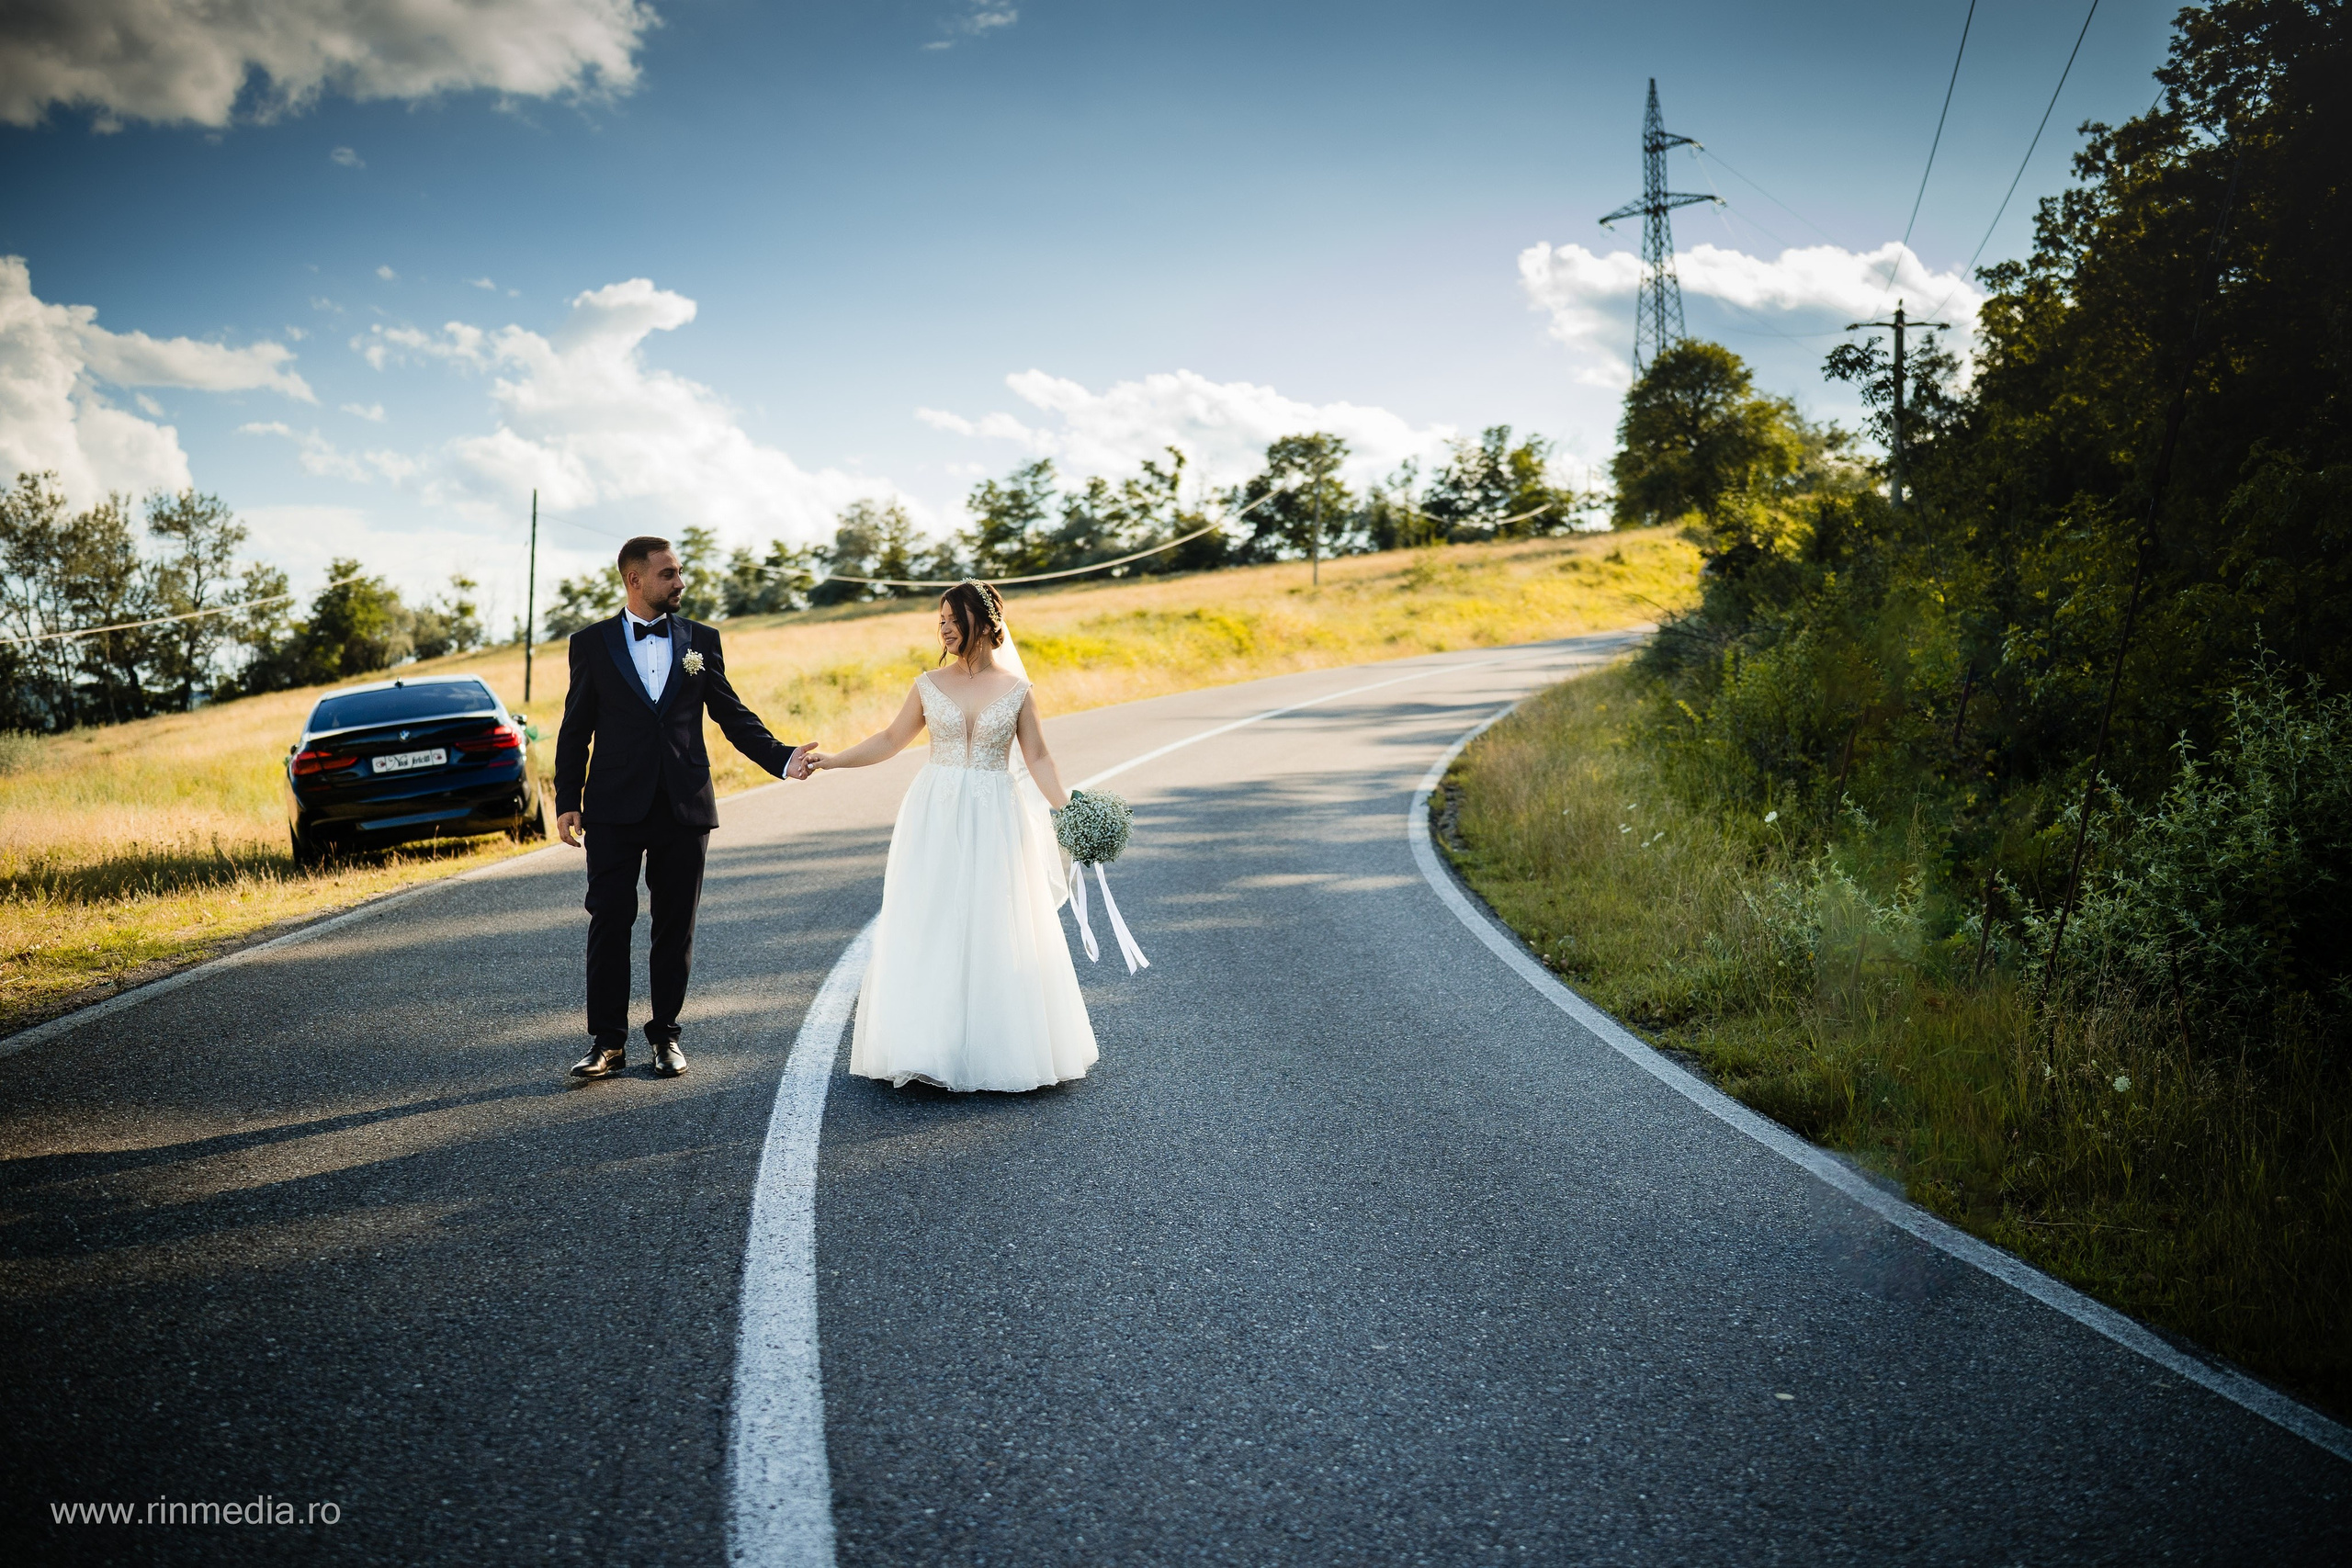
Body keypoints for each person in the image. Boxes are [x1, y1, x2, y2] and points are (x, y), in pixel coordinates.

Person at [800, 581, 1098, 1092]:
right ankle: (925, 1044)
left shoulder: (1018, 691)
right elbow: (892, 739)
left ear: (982, 622)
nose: (943, 629)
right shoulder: (927, 684)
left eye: (951, 619)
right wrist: (834, 761)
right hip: (934, 813)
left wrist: (1073, 813)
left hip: (995, 816)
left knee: (991, 919)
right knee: (933, 917)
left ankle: (998, 1047)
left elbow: (1040, 759)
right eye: (939, 620)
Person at [553, 536, 813, 1081]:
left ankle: (665, 1037)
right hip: (613, 808)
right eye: (669, 574)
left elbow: (731, 713)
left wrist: (781, 758)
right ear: (635, 580)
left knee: (675, 925)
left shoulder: (700, 640)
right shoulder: (592, 644)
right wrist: (567, 801)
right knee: (609, 920)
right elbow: (575, 728)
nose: (680, 582)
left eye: (679, 572)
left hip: (682, 804)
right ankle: (606, 1043)